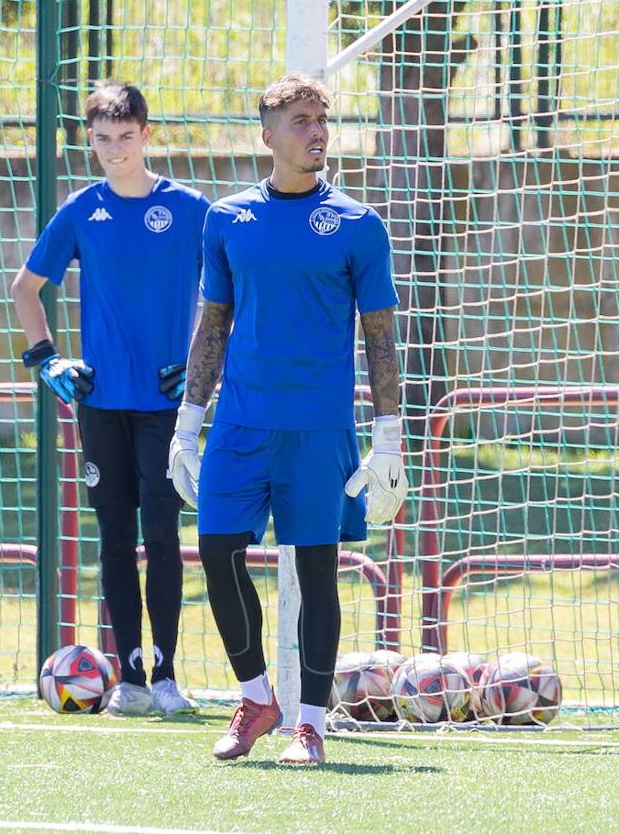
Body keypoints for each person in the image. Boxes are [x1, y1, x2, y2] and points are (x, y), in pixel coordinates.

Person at [168, 74, 406, 765]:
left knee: (317, 570)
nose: (316, 132)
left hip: (319, 429)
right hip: (240, 426)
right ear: (267, 133)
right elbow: (213, 323)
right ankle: (256, 697)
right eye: (300, 120)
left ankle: (310, 724)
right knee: (217, 554)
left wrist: (388, 437)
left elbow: (380, 336)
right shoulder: (226, 218)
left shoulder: (360, 225)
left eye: (322, 120)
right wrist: (189, 422)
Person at [10, 81, 210, 717]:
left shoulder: (191, 209)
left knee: (163, 533)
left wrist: (210, 367)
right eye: (102, 139)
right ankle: (126, 676)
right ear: (88, 139)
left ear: (147, 135)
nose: (115, 149)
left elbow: (235, 293)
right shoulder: (80, 209)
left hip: (165, 405)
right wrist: (49, 361)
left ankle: (170, 675)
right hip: (98, 402)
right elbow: (25, 288)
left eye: (126, 137)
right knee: (115, 538)